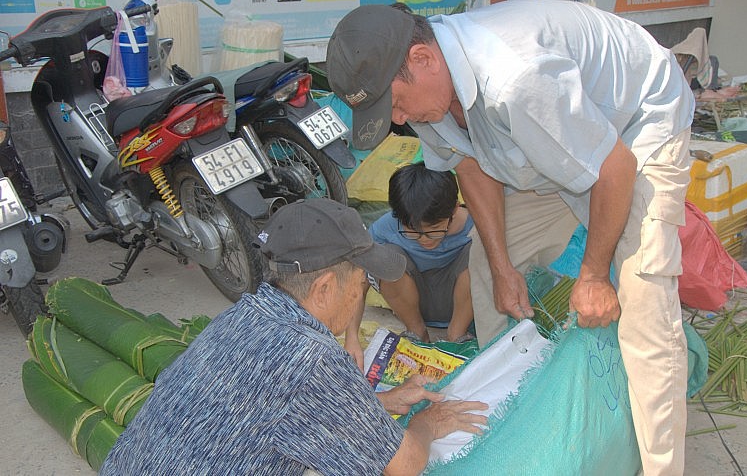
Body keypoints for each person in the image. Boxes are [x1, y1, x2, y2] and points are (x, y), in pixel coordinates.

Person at [326, 0, 695, 475]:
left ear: (422, 58)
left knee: (645, 308)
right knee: (487, 269)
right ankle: (511, 401)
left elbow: (613, 167)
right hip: (546, 146)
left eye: (395, 103)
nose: (398, 118)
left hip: (634, 129)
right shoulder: (428, 93)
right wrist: (502, 268)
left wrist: (594, 275)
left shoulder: (517, 79)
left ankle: (662, 467)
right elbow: (470, 165)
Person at [100, 198, 488, 475]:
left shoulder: (244, 314)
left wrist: (381, 402)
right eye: (360, 282)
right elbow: (402, 466)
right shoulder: (313, 358)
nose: (361, 293)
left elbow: (271, 406)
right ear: (323, 289)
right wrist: (430, 423)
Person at [357, 162, 474, 345]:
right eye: (412, 231)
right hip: (415, 303)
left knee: (482, 251)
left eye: (434, 229)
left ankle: (457, 334)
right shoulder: (385, 227)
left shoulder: (476, 224)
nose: (424, 239)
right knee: (384, 257)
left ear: (454, 209)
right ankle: (417, 332)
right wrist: (352, 338)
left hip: (464, 304)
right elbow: (358, 282)